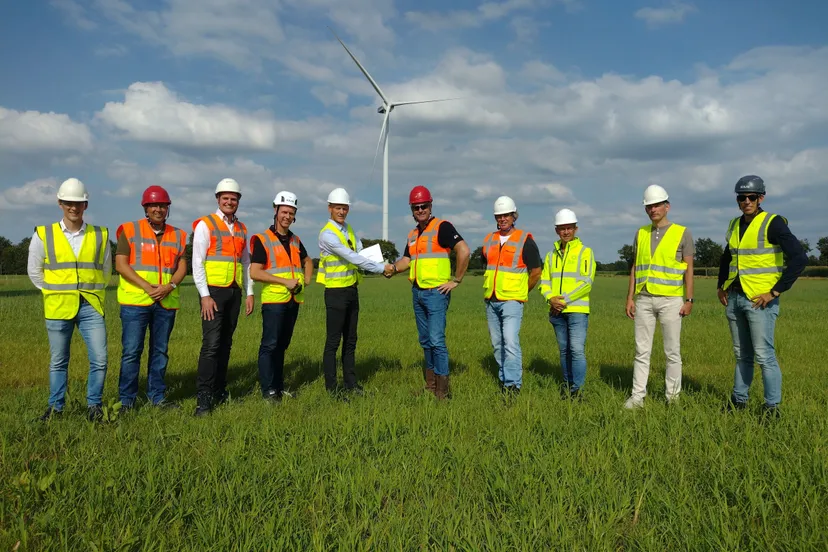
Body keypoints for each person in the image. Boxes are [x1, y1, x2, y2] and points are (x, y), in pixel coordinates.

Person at [717, 175, 807, 416]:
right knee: (741, 355)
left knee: (764, 355)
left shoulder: (773, 223)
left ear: (761, 198)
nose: (746, 201)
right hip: (734, 297)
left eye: (751, 197)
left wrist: (775, 291)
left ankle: (772, 407)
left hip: (760, 301)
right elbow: (728, 257)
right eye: (741, 197)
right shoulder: (734, 225)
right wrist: (720, 285)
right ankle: (738, 402)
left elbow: (800, 258)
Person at [27, 178, 111, 422]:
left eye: (78, 203)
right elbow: (34, 271)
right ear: (60, 203)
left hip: (90, 305)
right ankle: (55, 409)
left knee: (100, 359)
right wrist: (52, 292)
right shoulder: (44, 234)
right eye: (68, 203)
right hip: (58, 306)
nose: (73, 207)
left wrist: (90, 292)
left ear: (85, 205)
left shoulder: (100, 234)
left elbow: (106, 271)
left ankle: (94, 406)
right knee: (58, 361)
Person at [389, 185, 470, 399]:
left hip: (436, 294)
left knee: (436, 341)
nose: (420, 210)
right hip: (418, 293)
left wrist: (457, 280)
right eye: (416, 207)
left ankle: (443, 391)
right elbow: (407, 260)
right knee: (425, 341)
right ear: (411, 210)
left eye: (423, 206)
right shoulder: (413, 234)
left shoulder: (442, 227)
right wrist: (392, 268)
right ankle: (431, 385)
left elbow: (464, 250)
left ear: (430, 205)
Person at [115, 185, 187, 411]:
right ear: (145, 208)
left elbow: (182, 267)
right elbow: (121, 265)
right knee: (131, 352)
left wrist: (169, 286)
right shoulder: (129, 230)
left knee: (160, 352)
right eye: (154, 205)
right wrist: (147, 287)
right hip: (135, 303)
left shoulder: (179, 235)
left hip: (165, 302)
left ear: (168, 208)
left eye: (163, 206)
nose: (158, 209)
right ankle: (126, 401)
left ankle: (157, 398)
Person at [317, 187, 394, 397]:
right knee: (333, 342)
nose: (342, 212)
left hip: (351, 290)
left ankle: (351, 384)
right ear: (330, 208)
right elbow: (353, 257)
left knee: (351, 340)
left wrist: (384, 265)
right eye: (338, 208)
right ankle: (332, 389)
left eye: (345, 208)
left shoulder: (348, 230)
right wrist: (381, 269)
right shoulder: (327, 234)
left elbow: (361, 252)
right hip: (335, 293)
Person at [624, 184, 694, 409]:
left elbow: (689, 269)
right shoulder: (641, 233)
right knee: (641, 351)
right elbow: (635, 267)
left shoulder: (682, 233)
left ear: (667, 206)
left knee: (672, 352)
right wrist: (630, 298)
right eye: (649, 206)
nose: (653, 209)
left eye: (656, 205)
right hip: (644, 299)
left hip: (671, 300)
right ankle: (637, 397)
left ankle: (672, 398)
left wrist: (689, 299)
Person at [192, 178, 255, 416]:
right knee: (211, 345)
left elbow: (246, 262)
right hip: (213, 292)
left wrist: (249, 292)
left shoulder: (241, 228)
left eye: (234, 198)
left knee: (226, 343)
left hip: (234, 291)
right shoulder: (205, 224)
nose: (230, 202)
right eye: (225, 198)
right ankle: (204, 398)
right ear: (218, 199)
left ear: (238, 201)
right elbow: (197, 262)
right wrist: (205, 296)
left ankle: (219, 389)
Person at [250, 191, 313, 402]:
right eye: (284, 212)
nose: (287, 216)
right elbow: (255, 272)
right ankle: (268, 390)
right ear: (276, 210)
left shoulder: (295, 240)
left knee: (282, 345)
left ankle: (278, 387)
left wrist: (306, 279)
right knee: (270, 345)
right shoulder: (263, 239)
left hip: (293, 301)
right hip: (274, 301)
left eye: (291, 213)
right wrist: (285, 282)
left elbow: (308, 261)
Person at [481, 196, 541, 395]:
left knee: (510, 342)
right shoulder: (489, 240)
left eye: (506, 215)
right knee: (497, 344)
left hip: (512, 301)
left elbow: (536, 272)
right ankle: (504, 380)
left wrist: (522, 291)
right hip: (492, 300)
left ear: (514, 216)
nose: (502, 219)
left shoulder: (525, 240)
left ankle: (513, 385)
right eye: (499, 216)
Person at [539, 208, 595, 399]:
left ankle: (577, 390)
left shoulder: (585, 252)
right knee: (564, 351)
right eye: (562, 228)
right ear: (557, 230)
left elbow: (586, 283)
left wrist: (563, 301)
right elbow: (545, 281)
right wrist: (550, 299)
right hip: (556, 311)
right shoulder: (551, 255)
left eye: (569, 228)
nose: (566, 232)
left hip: (577, 310)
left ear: (575, 229)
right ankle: (567, 386)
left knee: (576, 350)